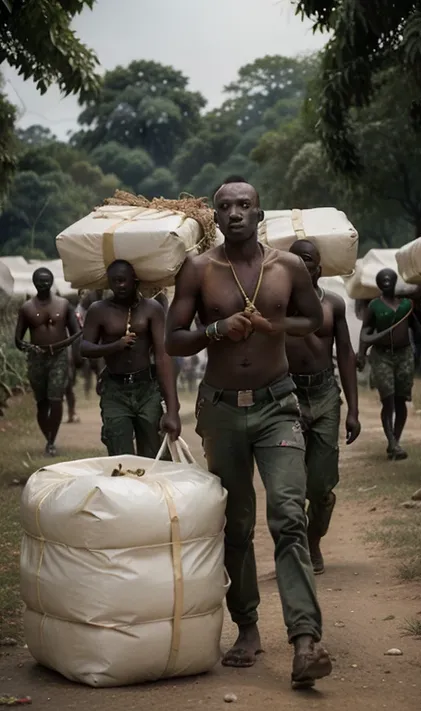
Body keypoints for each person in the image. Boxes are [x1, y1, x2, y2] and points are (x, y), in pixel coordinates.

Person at [165, 177, 331, 689]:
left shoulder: (288, 267)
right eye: (225, 207)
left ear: (260, 213)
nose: (235, 212)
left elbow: (313, 319)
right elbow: (173, 340)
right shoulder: (197, 270)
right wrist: (217, 329)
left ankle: (306, 640)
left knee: (287, 515)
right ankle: (247, 627)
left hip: (278, 405)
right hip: (220, 410)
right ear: (215, 217)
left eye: (244, 205)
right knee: (236, 525)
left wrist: (270, 327)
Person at [286, 240, 361, 575]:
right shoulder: (275, 304)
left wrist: (355, 411)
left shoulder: (333, 304)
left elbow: (345, 353)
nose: (303, 267)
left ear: (319, 266)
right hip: (287, 396)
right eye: (296, 261)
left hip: (326, 395)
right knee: (289, 483)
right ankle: (296, 548)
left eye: (309, 261)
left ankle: (313, 538)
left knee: (321, 486)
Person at [80, 260, 180, 456]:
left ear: (135, 280)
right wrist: (114, 346)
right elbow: (84, 347)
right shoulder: (98, 310)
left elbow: (162, 356)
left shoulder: (152, 309)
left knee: (152, 456)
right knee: (119, 454)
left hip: (147, 388)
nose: (120, 286)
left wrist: (172, 409)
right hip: (115, 390)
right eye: (115, 281)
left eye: (124, 280)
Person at [15, 268, 81, 456]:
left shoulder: (63, 305)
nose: (42, 284)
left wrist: (71, 351)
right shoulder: (27, 308)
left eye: (46, 281)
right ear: (34, 283)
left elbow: (77, 331)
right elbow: (18, 340)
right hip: (36, 358)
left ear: (51, 282)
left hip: (59, 357)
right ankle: (48, 438)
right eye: (39, 281)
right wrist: (29, 347)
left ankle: (51, 441)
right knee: (42, 402)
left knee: (56, 399)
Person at [357, 268, 418, 460]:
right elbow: (365, 331)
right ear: (377, 283)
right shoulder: (374, 306)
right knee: (388, 398)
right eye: (381, 279)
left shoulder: (406, 304)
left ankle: (396, 442)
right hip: (382, 356)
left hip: (404, 355)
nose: (385, 282)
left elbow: (419, 329)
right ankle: (391, 441)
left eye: (389, 279)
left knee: (401, 399)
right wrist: (361, 353)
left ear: (394, 282)